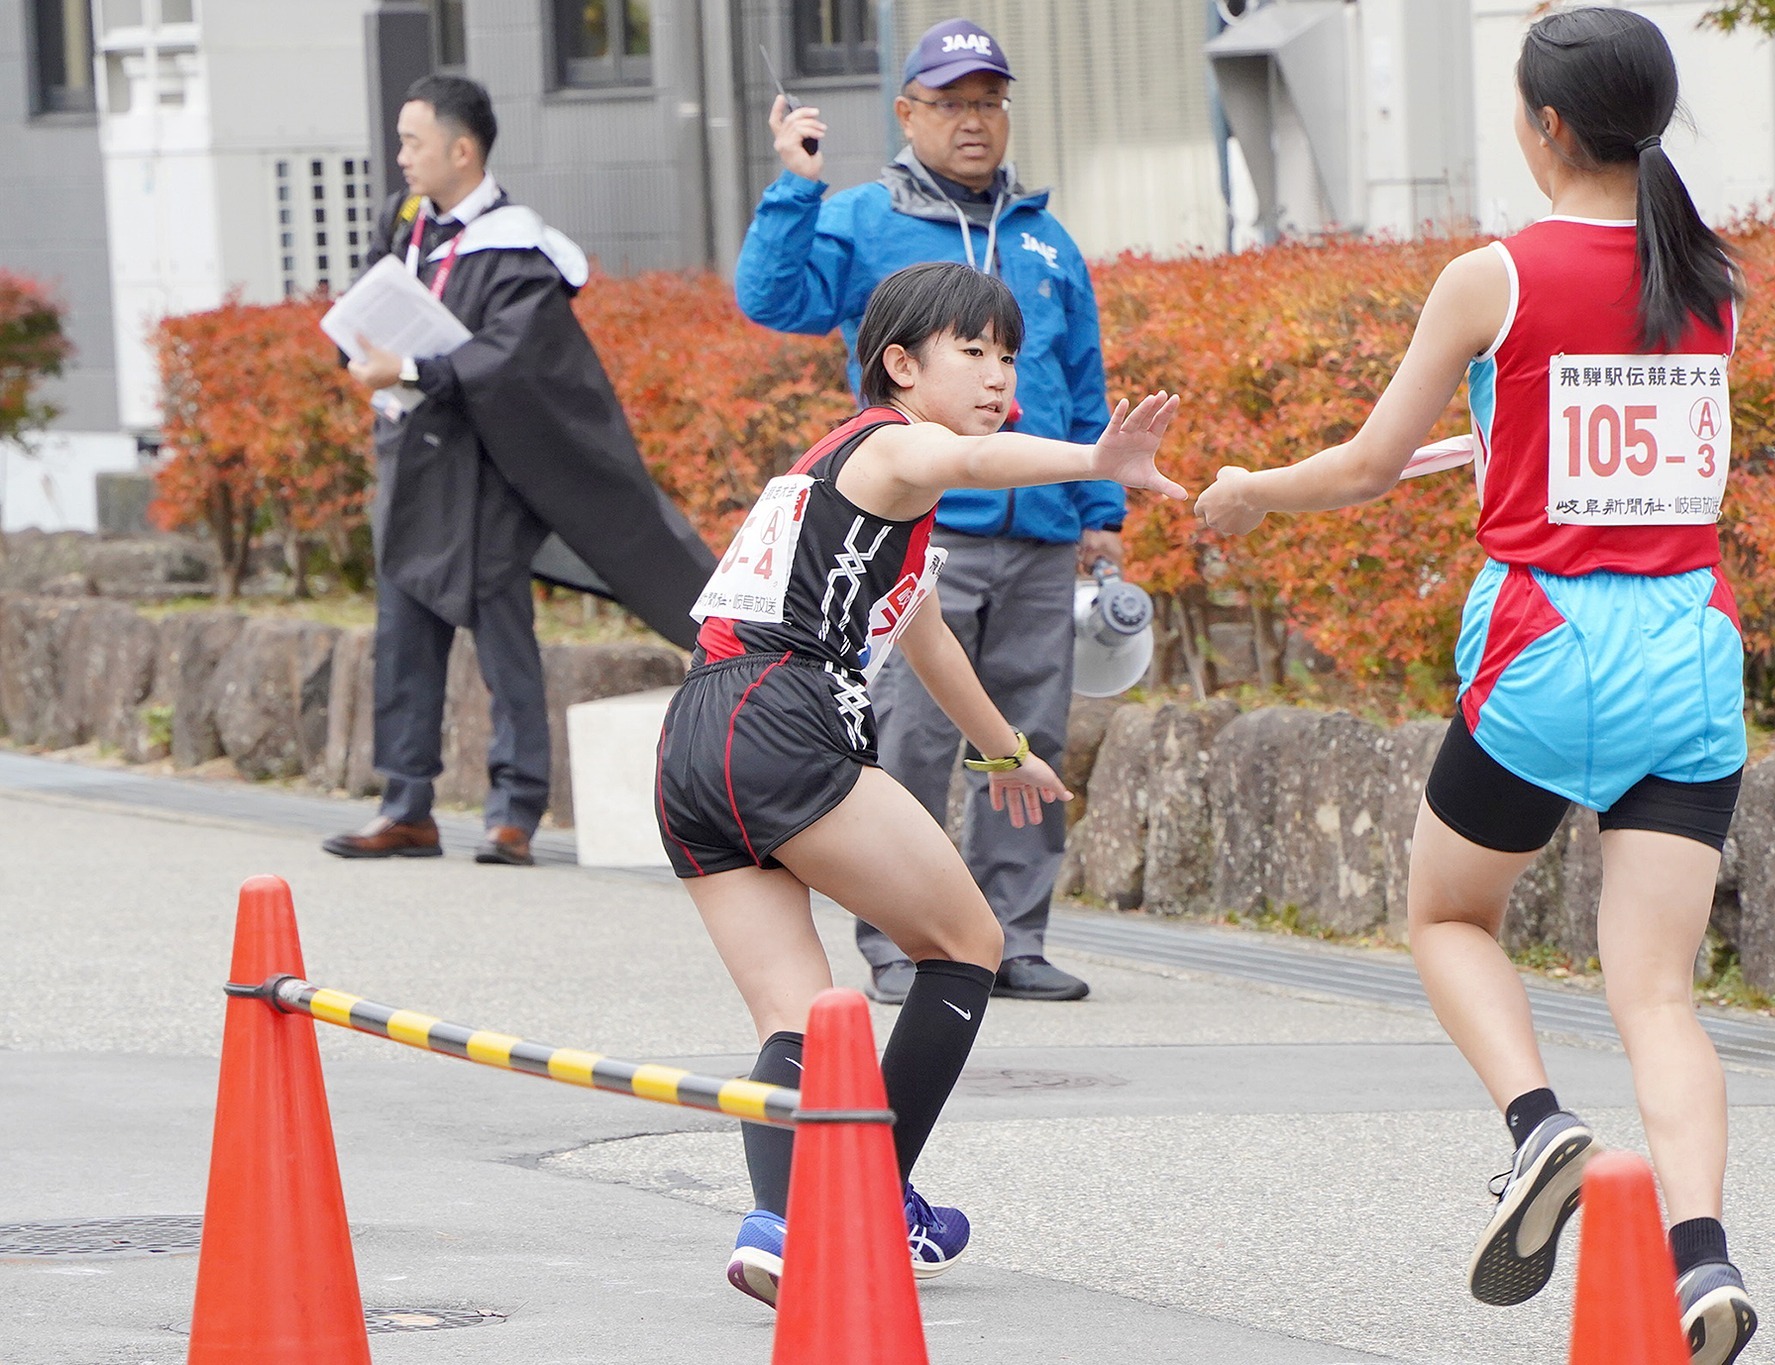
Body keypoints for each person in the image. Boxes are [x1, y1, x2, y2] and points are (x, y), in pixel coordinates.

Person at [1193, 10, 1756, 1363]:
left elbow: (1373, 463)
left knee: (1448, 911)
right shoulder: (1713, 278)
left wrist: (1247, 496)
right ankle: (1702, 1260)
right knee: (1660, 994)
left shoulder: (1490, 275)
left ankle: (1537, 1125)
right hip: (1691, 650)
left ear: (1547, 126)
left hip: (1548, 648)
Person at [655, 261, 1182, 1307]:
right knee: (968, 945)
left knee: (800, 1014)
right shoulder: (896, 445)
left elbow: (924, 632)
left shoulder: (850, 485)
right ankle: (871, 1188)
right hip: (781, 717)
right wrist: (1094, 457)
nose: (996, 373)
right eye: (971, 351)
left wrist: (1001, 750)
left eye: (1008, 354)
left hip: (697, 737)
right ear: (900, 364)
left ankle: (774, 1227)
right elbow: (974, 454)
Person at [735, 18, 1119, 1004]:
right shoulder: (861, 219)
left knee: (1025, 734)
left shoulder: (1042, 236)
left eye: (987, 101)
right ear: (906, 114)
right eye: (949, 103)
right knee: (905, 740)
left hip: (1037, 534)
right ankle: (899, 941)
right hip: (915, 525)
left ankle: (1011, 937)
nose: (972, 121)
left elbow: (1081, 381)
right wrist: (794, 184)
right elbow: (769, 299)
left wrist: (1100, 510)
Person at [322, 74, 713, 866]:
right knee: (403, 635)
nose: (401, 158)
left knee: (504, 638)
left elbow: (517, 354)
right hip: (412, 461)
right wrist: (364, 346)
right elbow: (373, 300)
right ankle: (406, 804)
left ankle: (514, 810)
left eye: (413, 142)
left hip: (488, 468)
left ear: (462, 150)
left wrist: (421, 369)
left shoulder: (517, 245)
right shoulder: (408, 225)